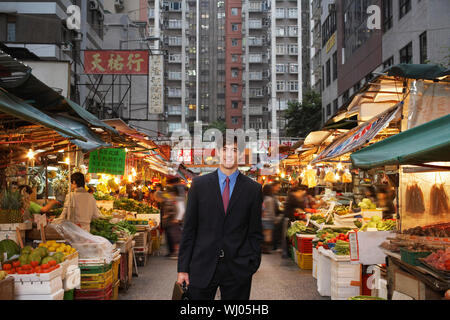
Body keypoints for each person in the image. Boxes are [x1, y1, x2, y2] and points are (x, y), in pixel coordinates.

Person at [177, 135, 263, 300]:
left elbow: (255, 231)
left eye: (234, 150)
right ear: (217, 152)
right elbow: (189, 229)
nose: (229, 154)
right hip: (202, 265)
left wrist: (251, 264)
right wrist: (183, 269)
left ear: (241, 154)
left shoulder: (253, 189)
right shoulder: (199, 185)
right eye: (225, 149)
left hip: (238, 269)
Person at [281, 185, 308, 258]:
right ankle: (285, 252)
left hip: (291, 218)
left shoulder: (293, 197)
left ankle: (287, 252)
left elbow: (298, 208)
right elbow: (298, 207)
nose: (302, 193)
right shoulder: (292, 197)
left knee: (289, 236)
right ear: (297, 191)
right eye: (301, 192)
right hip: (288, 218)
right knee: (287, 235)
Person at [261, 184, 276, 254]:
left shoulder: (262, 198)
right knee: (268, 235)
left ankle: (263, 248)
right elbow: (271, 211)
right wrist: (274, 219)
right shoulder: (270, 199)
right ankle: (265, 249)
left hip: (262, 219)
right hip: (268, 219)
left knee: (264, 234)